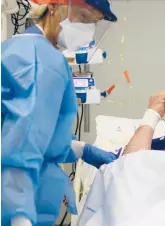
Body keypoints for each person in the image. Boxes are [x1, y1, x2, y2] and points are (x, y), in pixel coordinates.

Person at [1, 0, 118, 225]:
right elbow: (21, 147)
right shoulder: (42, 61)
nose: (87, 30)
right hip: (18, 203)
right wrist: (19, 216)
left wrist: (81, 149)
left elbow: (37, 133)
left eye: (93, 23)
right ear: (53, 6)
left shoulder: (20, 49)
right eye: (83, 17)